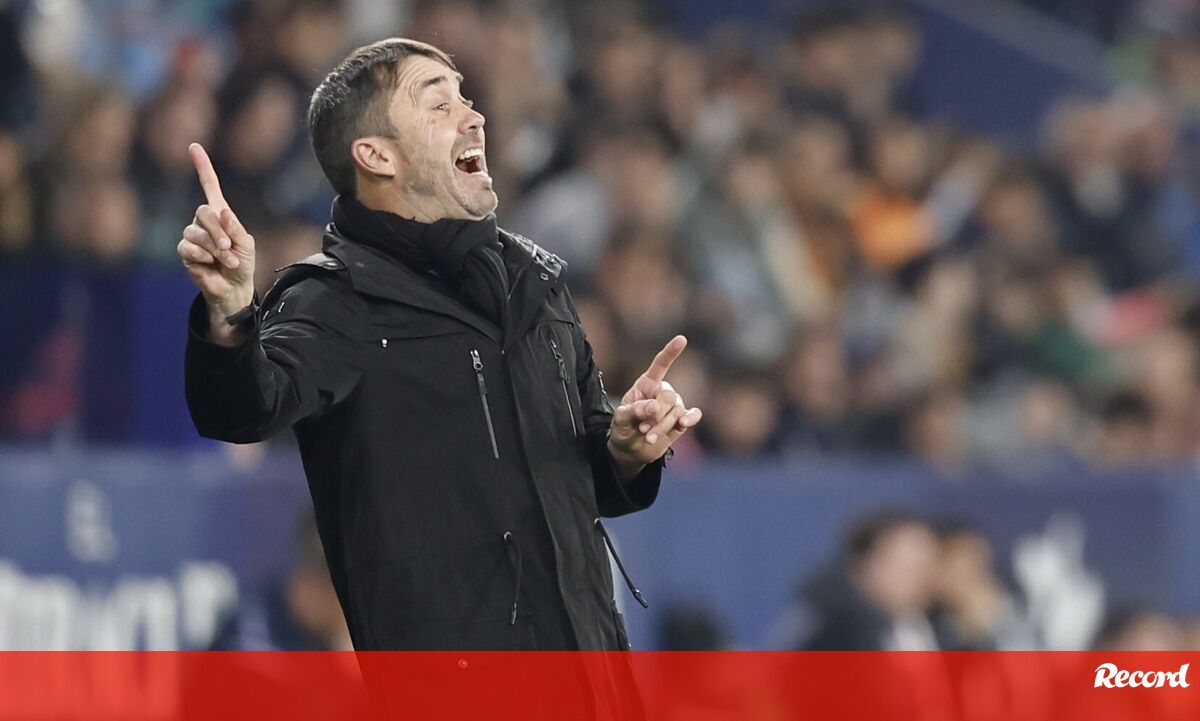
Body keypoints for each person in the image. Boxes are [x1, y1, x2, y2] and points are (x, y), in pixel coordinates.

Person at [178, 37, 701, 657]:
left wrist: (624, 449)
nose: (474, 117)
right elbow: (241, 409)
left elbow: (584, 478)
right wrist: (231, 312)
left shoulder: (536, 285)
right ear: (377, 155)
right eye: (439, 104)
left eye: (466, 99)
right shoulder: (337, 300)